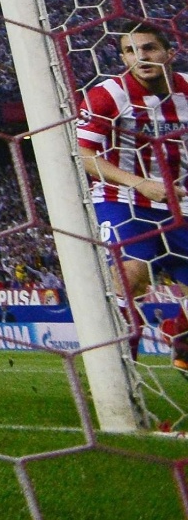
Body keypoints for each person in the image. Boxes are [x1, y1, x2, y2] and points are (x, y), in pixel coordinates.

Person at [76, 19, 188, 370]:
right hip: (122, 198)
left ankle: (180, 339)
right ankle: (121, 378)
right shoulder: (107, 95)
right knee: (132, 276)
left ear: (170, 53)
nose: (141, 57)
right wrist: (138, 183)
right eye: (130, 51)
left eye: (149, 48)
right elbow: (84, 155)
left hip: (180, 202)